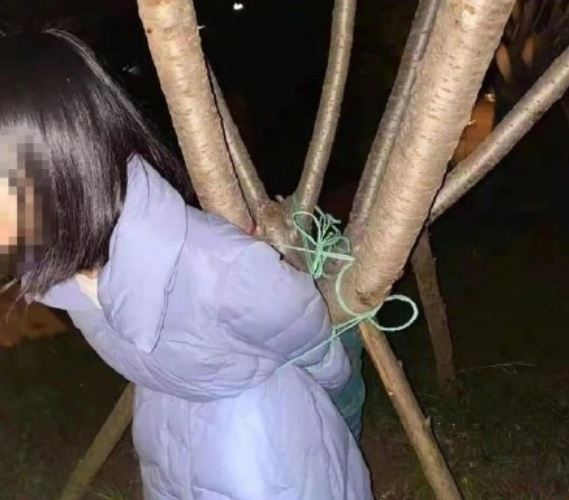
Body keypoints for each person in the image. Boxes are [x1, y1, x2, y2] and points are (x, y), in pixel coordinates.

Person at [0, 30, 373, 499]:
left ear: (57, 163)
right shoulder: (67, 278)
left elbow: (310, 339)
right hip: (170, 437)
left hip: (264, 456)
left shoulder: (218, 267)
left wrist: (329, 399)